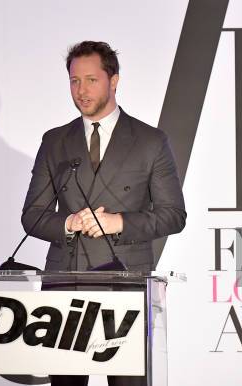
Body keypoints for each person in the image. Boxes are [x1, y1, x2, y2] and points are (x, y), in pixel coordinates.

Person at [21, 41, 186, 386]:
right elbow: (32, 214)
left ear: (114, 81)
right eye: (74, 81)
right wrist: (68, 223)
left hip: (124, 284)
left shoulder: (150, 141)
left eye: (91, 80)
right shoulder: (54, 141)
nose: (81, 91)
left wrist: (118, 223)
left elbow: (173, 215)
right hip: (66, 283)